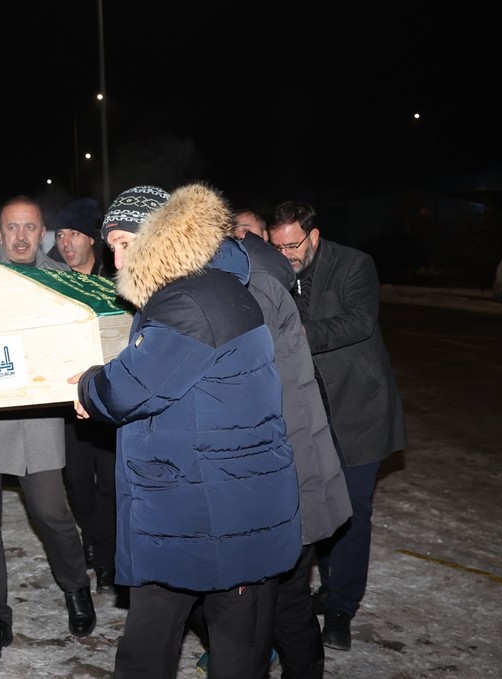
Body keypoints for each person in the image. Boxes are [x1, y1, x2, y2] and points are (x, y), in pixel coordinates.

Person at [73, 183, 302, 679]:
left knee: (223, 654)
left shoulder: (188, 301)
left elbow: (124, 391)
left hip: (216, 515)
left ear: (159, 236)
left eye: (124, 242)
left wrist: (90, 383)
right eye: (110, 244)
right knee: (167, 640)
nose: (115, 257)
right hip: (205, 503)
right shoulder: (210, 285)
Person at [194, 218, 355, 678]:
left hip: (280, 474)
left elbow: (239, 384)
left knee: (270, 604)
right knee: (277, 599)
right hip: (281, 471)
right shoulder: (253, 280)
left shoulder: (251, 292)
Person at [0, 195, 95, 668]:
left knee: (54, 515)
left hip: (37, 420)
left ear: (43, 234)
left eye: (30, 228)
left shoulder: (60, 281)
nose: (20, 236)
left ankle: (76, 588)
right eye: (11, 227)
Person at [268, 200, 407, 652]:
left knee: (354, 512)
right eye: (278, 245)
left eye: (293, 246)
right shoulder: (277, 268)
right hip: (310, 411)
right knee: (319, 503)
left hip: (359, 409)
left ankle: (343, 606)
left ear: (314, 236)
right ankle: (327, 588)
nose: (286, 254)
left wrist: (299, 333)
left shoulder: (354, 265)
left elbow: (360, 321)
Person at [51, 197, 116, 592]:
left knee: (110, 483)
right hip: (66, 403)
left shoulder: (115, 278)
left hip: (109, 399)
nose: (66, 242)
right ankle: (93, 536)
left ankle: (107, 559)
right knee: (76, 481)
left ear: (91, 239)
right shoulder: (53, 280)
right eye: (60, 235)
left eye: (74, 233)